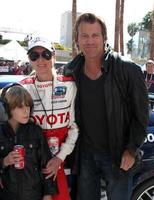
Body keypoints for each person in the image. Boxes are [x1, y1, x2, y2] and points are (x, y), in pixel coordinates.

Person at [63, 13, 149, 200]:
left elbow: (141, 115)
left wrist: (131, 150)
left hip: (118, 154)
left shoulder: (127, 69)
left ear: (104, 37)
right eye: (84, 35)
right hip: (85, 155)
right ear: (77, 39)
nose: (89, 41)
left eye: (95, 35)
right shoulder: (70, 71)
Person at [23, 36, 79, 200]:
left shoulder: (70, 85)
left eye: (45, 54)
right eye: (34, 56)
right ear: (29, 60)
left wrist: (59, 158)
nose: (40, 60)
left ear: (53, 56)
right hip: (31, 163)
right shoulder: (23, 87)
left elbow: (75, 128)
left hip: (60, 160)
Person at [0, 84, 57, 200]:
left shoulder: (35, 131)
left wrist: (48, 194)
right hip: (7, 195)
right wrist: (4, 161)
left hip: (33, 195)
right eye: (20, 107)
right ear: (8, 108)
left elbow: (46, 164)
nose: (26, 111)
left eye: (28, 106)